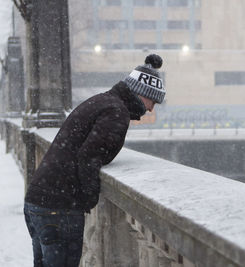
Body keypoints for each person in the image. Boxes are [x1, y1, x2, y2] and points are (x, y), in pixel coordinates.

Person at [23, 54, 166, 267]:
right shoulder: (116, 112)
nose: (151, 109)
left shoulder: (102, 101)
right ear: (140, 93)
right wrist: (90, 198)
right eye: (152, 100)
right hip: (60, 209)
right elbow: (88, 157)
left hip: (38, 202)